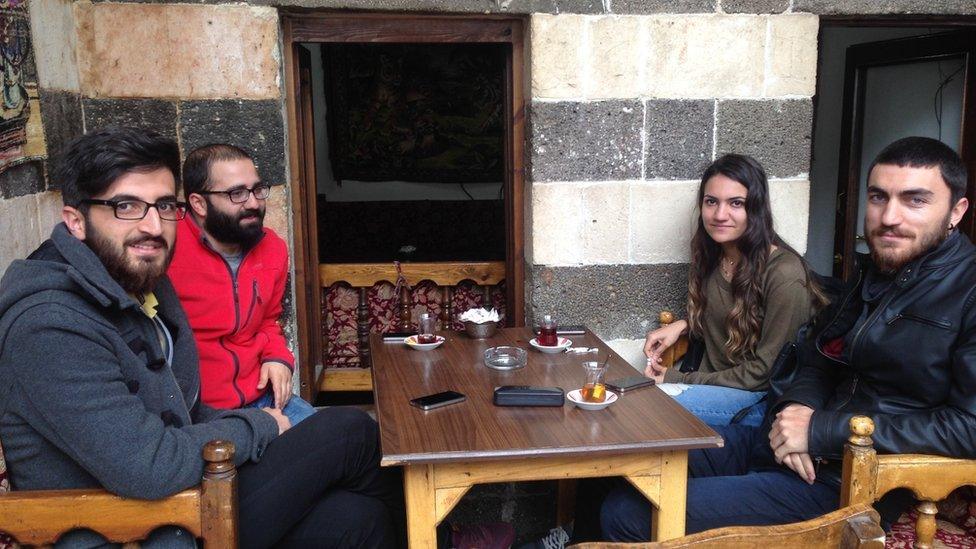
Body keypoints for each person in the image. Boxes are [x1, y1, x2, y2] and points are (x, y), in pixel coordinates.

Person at [0, 127, 404, 548]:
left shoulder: (138, 286)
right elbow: (148, 464)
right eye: (126, 206)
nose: (153, 226)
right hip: (133, 530)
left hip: (178, 505)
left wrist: (272, 372)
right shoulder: (49, 326)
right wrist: (260, 426)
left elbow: (183, 412)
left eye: (162, 205)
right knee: (349, 430)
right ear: (76, 221)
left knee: (359, 518)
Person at [599, 136, 976, 540]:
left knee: (630, 511)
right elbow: (815, 357)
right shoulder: (876, 275)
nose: (889, 217)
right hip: (781, 444)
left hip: (844, 482)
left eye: (915, 200)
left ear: (956, 211)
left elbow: (969, 427)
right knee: (621, 457)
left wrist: (821, 430)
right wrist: (798, 412)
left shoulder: (966, 292)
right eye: (879, 197)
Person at [642, 154, 824, 427]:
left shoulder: (784, 273)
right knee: (624, 399)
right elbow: (729, 312)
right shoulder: (713, 258)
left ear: (756, 209)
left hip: (758, 402)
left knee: (646, 409)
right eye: (711, 201)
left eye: (736, 203)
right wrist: (685, 324)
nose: (719, 215)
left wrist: (677, 379)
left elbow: (764, 373)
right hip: (712, 390)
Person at [168, 144, 315, 425]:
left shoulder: (272, 248)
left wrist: (277, 357)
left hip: (261, 399)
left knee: (346, 440)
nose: (253, 203)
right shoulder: (167, 249)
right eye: (237, 193)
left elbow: (269, 320)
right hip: (197, 412)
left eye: (257, 190)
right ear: (198, 203)